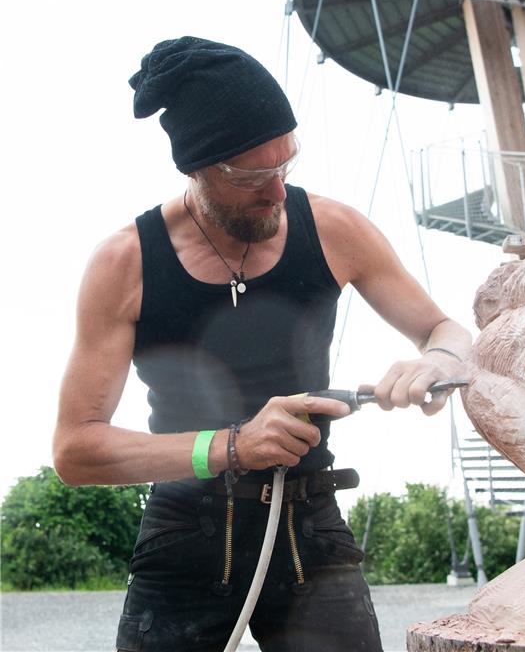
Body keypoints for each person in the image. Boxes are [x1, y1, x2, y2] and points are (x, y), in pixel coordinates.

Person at [52, 36, 472, 652]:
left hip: (311, 523)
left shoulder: (336, 228)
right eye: (252, 175)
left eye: (286, 164)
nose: (277, 192)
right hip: (184, 529)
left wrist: (438, 359)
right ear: (196, 169)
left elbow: (447, 329)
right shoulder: (125, 263)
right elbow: (75, 450)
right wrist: (232, 447)